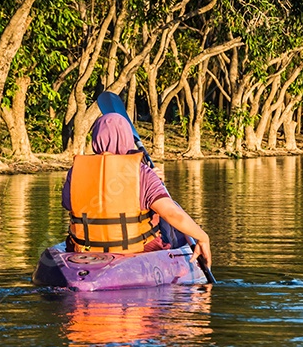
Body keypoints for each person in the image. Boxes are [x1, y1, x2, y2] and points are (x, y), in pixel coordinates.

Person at [61, 113, 212, 268]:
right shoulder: (142, 173)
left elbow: (68, 204)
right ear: (127, 138)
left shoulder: (76, 171)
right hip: (139, 251)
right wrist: (202, 237)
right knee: (171, 218)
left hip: (85, 250)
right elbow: (172, 213)